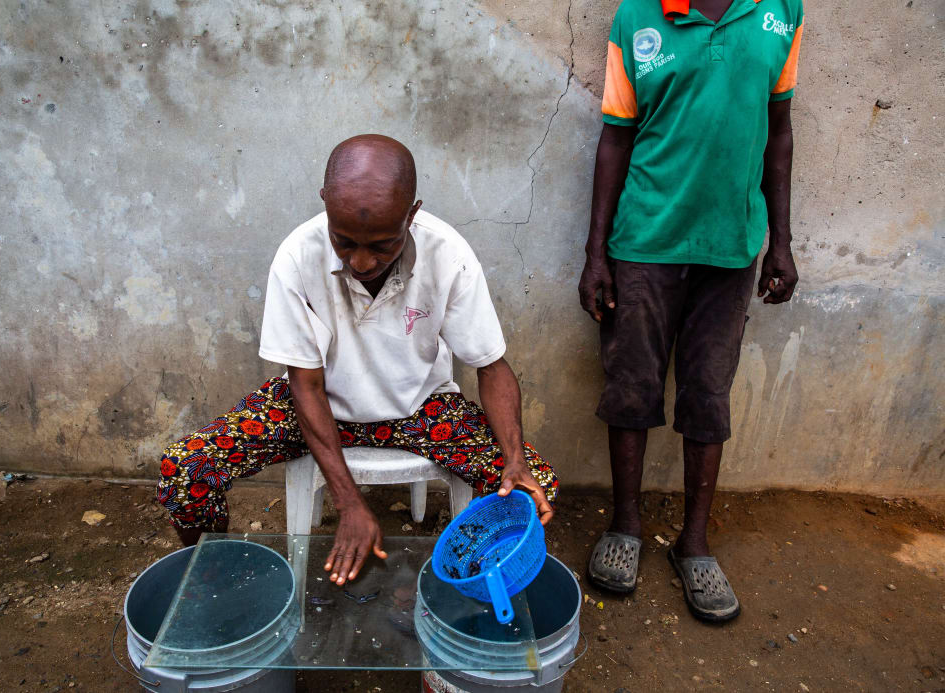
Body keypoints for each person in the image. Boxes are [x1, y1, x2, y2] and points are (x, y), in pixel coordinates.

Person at [157, 134, 557, 585]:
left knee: (529, 489)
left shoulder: (449, 255)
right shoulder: (296, 256)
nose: (361, 261)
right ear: (325, 203)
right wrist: (349, 503)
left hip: (421, 409)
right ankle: (214, 580)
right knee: (186, 470)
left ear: (413, 214)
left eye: (382, 245)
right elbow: (304, 384)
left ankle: (464, 587)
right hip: (316, 404)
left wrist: (514, 459)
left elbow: (491, 365)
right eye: (344, 242)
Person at [578, 0, 803, 621]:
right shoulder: (637, 17)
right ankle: (625, 527)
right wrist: (596, 251)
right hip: (645, 240)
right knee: (631, 381)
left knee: (708, 390)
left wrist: (779, 239)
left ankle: (694, 545)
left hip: (732, 246)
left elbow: (777, 128)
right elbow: (616, 135)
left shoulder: (781, 12)